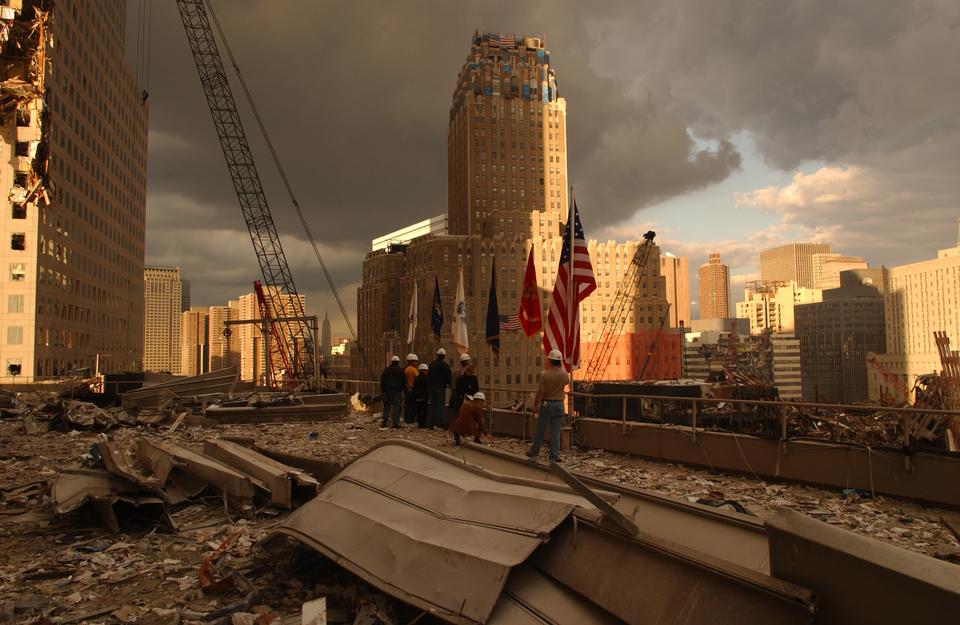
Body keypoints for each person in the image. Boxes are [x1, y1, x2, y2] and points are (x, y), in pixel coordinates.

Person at [527, 349, 568, 462]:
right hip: (559, 405)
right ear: (560, 362)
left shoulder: (546, 375)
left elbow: (540, 392)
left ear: (550, 361)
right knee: (555, 433)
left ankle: (534, 452)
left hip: (547, 404)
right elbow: (566, 383)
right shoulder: (564, 375)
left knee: (540, 430)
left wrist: (535, 407)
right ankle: (554, 456)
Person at [427, 348, 452, 429]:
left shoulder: (432, 364)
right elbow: (448, 375)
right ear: (444, 356)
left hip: (431, 387)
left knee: (432, 405)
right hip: (440, 388)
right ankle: (438, 423)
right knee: (440, 405)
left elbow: (428, 375)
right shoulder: (444, 365)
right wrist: (449, 384)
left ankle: (430, 423)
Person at [379, 355, 406, 429]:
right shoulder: (400, 370)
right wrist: (403, 389)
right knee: (396, 407)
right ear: (398, 362)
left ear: (392, 362)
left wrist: (383, 391)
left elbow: (382, 381)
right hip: (397, 392)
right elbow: (404, 381)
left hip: (387, 391)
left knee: (387, 407)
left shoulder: (386, 370)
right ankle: (395, 423)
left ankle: (384, 422)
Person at [412, 363, 430, 427]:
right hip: (424, 396)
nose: (427, 372)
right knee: (425, 411)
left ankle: (420, 423)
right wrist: (428, 396)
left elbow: (414, 388)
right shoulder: (426, 378)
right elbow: (427, 388)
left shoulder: (416, 378)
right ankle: (423, 424)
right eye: (426, 370)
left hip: (417, 397)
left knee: (418, 411)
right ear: (424, 370)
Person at [403, 353, 419, 424]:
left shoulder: (406, 369)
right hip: (411, 389)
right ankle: (410, 419)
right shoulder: (412, 369)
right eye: (415, 361)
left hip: (407, 389)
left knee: (407, 405)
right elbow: (417, 379)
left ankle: (407, 419)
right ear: (411, 361)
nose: (416, 363)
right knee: (412, 406)